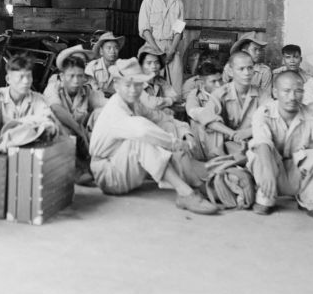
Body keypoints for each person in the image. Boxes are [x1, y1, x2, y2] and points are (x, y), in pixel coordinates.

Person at [89, 58, 218, 215]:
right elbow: (142, 130)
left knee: (165, 132)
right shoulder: (115, 109)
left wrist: (185, 133)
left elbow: (162, 118)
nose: (133, 90)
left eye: (137, 85)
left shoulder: (135, 104)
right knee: (142, 140)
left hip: (124, 168)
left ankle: (197, 185)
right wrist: (174, 143)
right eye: (127, 85)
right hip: (108, 174)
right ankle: (185, 194)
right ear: (116, 86)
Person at [247, 71, 313, 218]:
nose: (293, 97)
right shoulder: (264, 112)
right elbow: (262, 142)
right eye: (286, 91)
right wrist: (268, 170)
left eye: (298, 91)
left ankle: (308, 199)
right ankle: (265, 199)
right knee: (256, 151)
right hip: (272, 171)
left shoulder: (312, 113)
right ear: (275, 92)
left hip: (300, 172)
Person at [43, 45, 106, 185]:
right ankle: (77, 171)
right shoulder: (53, 87)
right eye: (71, 76)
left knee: (100, 114)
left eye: (80, 76)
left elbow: (104, 105)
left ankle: (98, 166)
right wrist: (79, 130)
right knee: (58, 125)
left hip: (79, 138)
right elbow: (56, 109)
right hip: (57, 138)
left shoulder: (86, 91)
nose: (76, 81)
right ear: (61, 76)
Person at [0, 54, 58, 152]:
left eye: (29, 76)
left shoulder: (39, 99)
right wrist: (0, 144)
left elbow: (48, 122)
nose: (26, 81)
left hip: (26, 148)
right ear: (8, 79)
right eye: (21, 77)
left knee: (45, 126)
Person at [202, 51, 272, 156]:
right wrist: (232, 133)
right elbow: (207, 118)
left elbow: (272, 119)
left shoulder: (262, 95)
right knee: (209, 131)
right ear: (230, 71)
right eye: (241, 69)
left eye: (250, 68)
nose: (247, 73)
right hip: (226, 142)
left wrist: (248, 132)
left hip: (253, 141)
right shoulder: (220, 93)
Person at [138, 0, 185, 96]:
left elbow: (179, 30)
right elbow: (144, 29)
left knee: (175, 90)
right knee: (149, 86)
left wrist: (171, 50)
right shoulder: (149, 1)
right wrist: (157, 51)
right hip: (151, 47)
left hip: (171, 47)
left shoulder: (178, 3)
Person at [184, 61, 223, 160]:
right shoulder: (195, 95)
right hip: (205, 138)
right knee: (203, 122)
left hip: (225, 135)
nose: (218, 85)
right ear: (202, 83)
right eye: (213, 81)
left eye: (220, 80)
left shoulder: (226, 91)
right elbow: (192, 111)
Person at [222, 32, 272, 96]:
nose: (258, 52)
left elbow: (266, 96)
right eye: (255, 49)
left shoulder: (264, 71)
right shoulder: (229, 67)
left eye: (260, 50)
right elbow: (224, 92)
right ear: (244, 51)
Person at [137, 44, 180, 111]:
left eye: (157, 62)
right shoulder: (136, 83)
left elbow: (175, 96)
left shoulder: (160, 81)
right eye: (149, 63)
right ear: (141, 66)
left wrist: (162, 102)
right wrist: (168, 101)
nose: (154, 66)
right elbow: (152, 104)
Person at [84, 31, 125, 98]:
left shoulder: (123, 67)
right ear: (101, 51)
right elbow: (87, 90)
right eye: (109, 48)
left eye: (116, 48)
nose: (112, 51)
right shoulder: (92, 67)